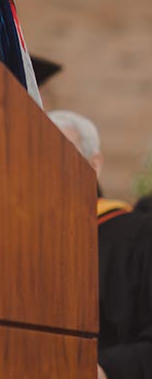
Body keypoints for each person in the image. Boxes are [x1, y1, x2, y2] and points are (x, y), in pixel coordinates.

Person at [49, 110, 152, 379]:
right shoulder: (15, 246)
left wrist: (105, 369)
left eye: (61, 152)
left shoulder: (141, 235)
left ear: (95, 164)